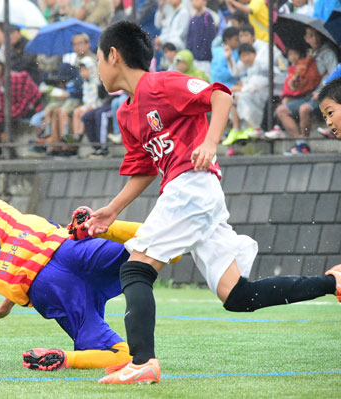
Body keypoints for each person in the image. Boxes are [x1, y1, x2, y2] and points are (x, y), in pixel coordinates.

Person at [86, 20, 340, 385]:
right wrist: (113, 209)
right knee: (238, 295)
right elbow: (143, 168)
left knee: (135, 268)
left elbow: (220, 94)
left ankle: (143, 362)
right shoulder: (127, 114)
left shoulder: (162, 83)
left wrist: (210, 143)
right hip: (188, 193)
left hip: (192, 187)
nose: (96, 67)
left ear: (113, 55)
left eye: (97, 58)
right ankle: (332, 283)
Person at [0, 173, 182, 370]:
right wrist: (7, 303)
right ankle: (98, 226)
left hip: (49, 287)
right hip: (68, 249)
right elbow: (16, 245)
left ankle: (66, 359)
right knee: (159, 247)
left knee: (122, 355)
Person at [269, 26, 338, 154]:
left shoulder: (327, 53)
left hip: (325, 94)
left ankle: (305, 142)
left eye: (316, 35)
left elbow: (334, 75)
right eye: (310, 36)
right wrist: (295, 82)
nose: (315, 39)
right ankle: (300, 142)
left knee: (304, 109)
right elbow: (303, 82)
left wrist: (322, 92)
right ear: (306, 39)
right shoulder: (308, 56)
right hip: (309, 94)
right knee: (281, 110)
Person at [0, 50, 43, 159]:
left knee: (3, 122)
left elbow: (21, 98)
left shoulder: (11, 78)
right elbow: (2, 100)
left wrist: (8, 112)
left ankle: (8, 151)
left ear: (1, 64)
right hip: (9, 107)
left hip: (24, 106)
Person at [225, 43, 269, 142]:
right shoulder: (249, 68)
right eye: (243, 56)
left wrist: (240, 88)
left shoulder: (261, 65)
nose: (246, 58)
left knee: (241, 97)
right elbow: (236, 72)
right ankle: (236, 129)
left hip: (263, 96)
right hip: (252, 93)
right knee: (232, 97)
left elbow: (257, 85)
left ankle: (252, 128)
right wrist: (229, 58)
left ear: (254, 54)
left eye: (248, 55)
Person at [186, 0, 217, 78]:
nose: (195, 2)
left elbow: (211, 36)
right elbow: (190, 37)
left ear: (205, 2)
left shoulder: (207, 17)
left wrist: (207, 53)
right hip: (194, 57)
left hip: (205, 59)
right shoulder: (193, 18)